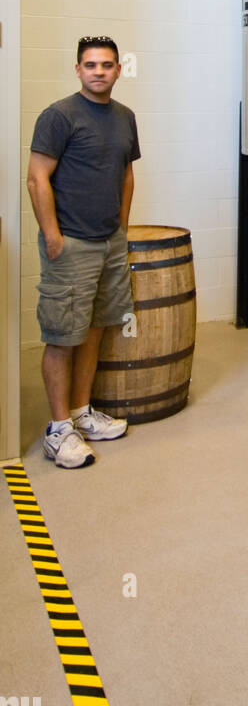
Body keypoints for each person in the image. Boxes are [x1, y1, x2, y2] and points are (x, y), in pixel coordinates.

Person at [27, 37, 140, 468]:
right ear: (78, 70)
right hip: (70, 243)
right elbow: (38, 179)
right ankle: (58, 431)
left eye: (107, 65)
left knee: (94, 328)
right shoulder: (59, 116)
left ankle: (80, 413)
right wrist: (53, 236)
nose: (99, 71)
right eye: (90, 65)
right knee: (62, 336)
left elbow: (126, 175)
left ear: (118, 70)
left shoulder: (125, 118)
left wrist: (122, 228)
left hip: (109, 241)